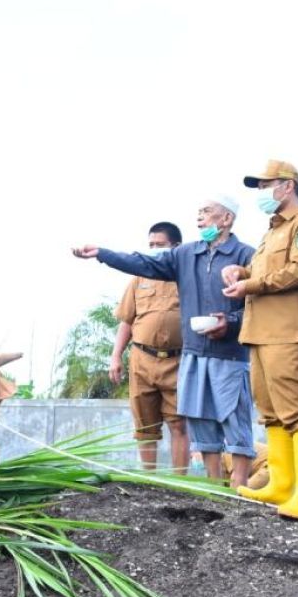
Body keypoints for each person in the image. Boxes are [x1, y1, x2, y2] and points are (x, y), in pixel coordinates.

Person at [72, 197, 257, 486]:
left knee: (235, 421)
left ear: (227, 219)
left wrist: (230, 322)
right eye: (198, 212)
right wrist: (103, 254)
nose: (200, 218)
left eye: (207, 212)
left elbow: (260, 309)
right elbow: (142, 262)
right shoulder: (185, 255)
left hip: (230, 355)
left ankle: (239, 487)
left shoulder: (246, 255)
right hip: (194, 354)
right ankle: (212, 486)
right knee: (201, 423)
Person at [221, 160, 298, 520]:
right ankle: (281, 485)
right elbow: (267, 272)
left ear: (287, 185)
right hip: (260, 331)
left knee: (297, 410)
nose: (262, 193)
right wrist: (243, 271)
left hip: (289, 332)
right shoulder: (271, 233)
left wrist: (250, 284)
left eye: (266, 185)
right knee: (270, 412)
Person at [109, 221, 190, 472]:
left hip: (178, 361)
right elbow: (127, 321)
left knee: (179, 424)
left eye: (160, 245)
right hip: (142, 359)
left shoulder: (188, 277)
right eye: (151, 245)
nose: (154, 249)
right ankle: (150, 481)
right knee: (145, 428)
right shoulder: (139, 278)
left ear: (176, 246)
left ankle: (180, 483)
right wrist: (115, 357)